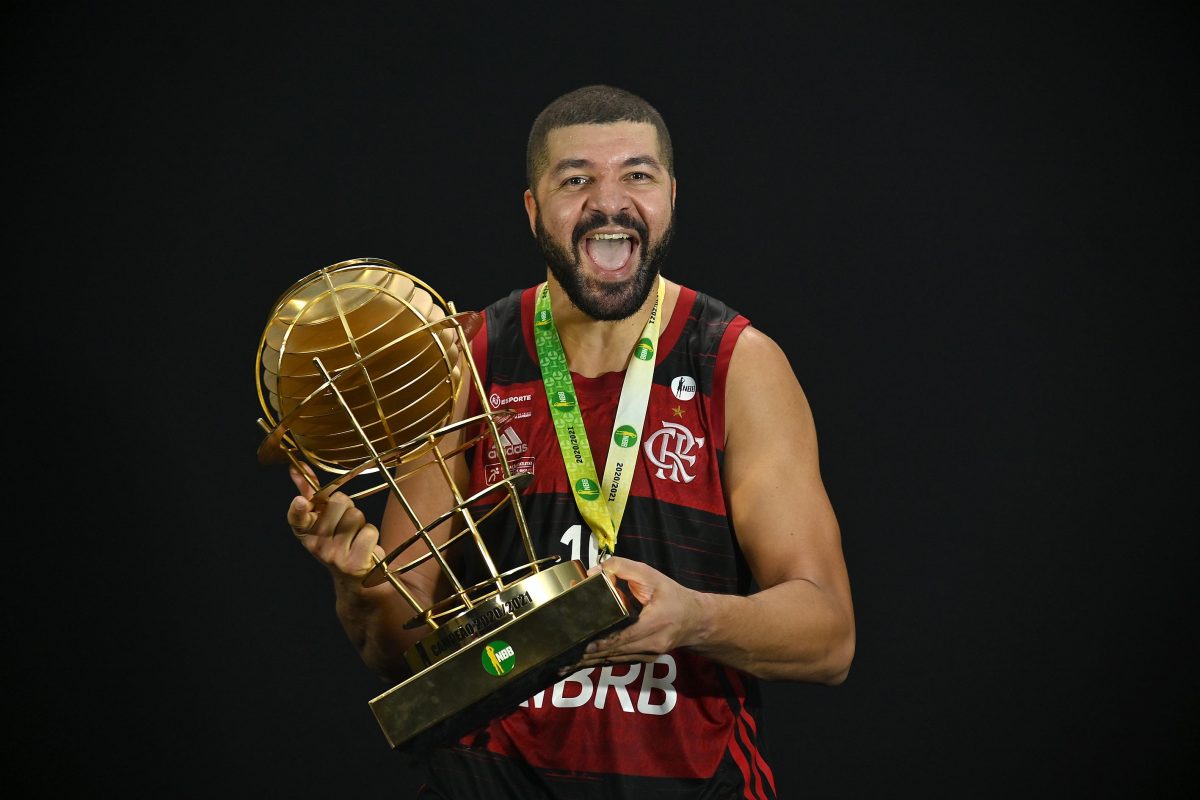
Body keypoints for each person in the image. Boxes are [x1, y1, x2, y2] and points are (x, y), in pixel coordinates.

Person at [286, 84, 855, 799]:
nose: (608, 203)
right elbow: (400, 655)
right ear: (533, 209)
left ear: (671, 197)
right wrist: (357, 585)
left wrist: (695, 617)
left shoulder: (736, 365)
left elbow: (829, 637)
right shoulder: (469, 360)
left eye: (637, 175)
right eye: (576, 179)